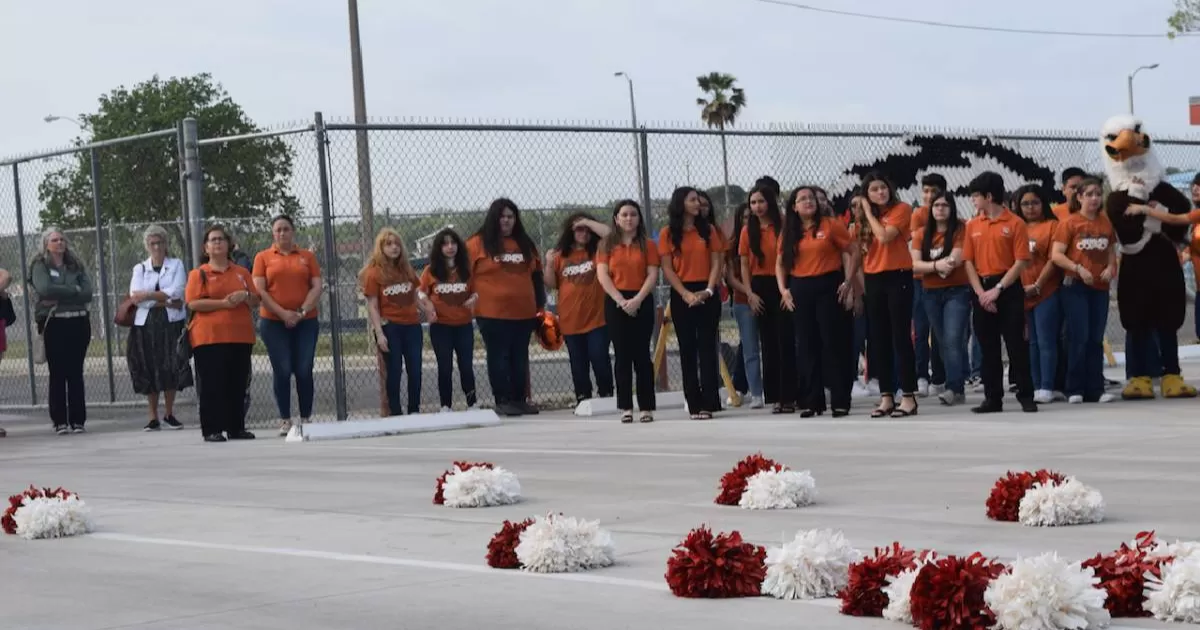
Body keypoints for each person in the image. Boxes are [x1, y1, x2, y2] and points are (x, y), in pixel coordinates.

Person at [778, 185, 858, 416]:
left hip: (828, 285)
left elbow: (853, 252)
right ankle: (813, 401)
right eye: (802, 199)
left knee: (832, 343)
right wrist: (784, 290)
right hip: (800, 287)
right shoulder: (789, 232)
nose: (808, 202)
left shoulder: (831, 225)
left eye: (811, 198)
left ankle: (840, 399)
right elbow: (781, 263)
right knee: (806, 345)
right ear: (794, 206)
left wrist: (848, 281)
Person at [963, 172, 1037, 413]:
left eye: (976, 196)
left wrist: (997, 289)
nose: (973, 200)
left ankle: (1026, 395)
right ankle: (992, 398)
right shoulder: (972, 225)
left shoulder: (1015, 223)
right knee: (987, 347)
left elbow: (1021, 262)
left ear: (989, 196)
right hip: (981, 289)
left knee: (1016, 344)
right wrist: (981, 293)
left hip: (1007, 288)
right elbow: (968, 262)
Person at [467, 198, 544, 417]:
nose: (506, 221)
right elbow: (464, 274)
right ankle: (502, 399)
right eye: (502, 216)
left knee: (519, 356)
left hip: (523, 312)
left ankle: (519, 399)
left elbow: (536, 275)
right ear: (494, 218)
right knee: (499, 355)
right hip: (492, 313)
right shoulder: (477, 243)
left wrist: (540, 305)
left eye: (510, 216)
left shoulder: (525, 243)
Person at [186, 225, 259, 442]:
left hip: (240, 335)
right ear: (206, 248)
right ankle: (212, 428)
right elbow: (193, 303)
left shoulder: (241, 272)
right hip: (209, 337)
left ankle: (236, 427)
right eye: (213, 240)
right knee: (212, 384)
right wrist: (223, 303)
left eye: (221, 239)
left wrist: (244, 295)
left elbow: (256, 300)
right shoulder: (199, 274)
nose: (217, 243)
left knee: (237, 383)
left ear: (229, 245)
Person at [854, 172, 918, 418]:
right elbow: (859, 252)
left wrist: (869, 213)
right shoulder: (862, 221)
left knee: (900, 337)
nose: (881, 192)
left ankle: (909, 396)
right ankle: (886, 396)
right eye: (874, 190)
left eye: (883, 188)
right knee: (878, 339)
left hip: (897, 276)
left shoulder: (901, 209)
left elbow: (885, 236)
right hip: (874, 278)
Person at [253, 215, 323, 436]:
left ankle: (306, 418)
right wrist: (283, 313)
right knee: (282, 370)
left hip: (306, 321)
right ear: (273, 234)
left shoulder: (307, 256)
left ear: (293, 232)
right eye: (278, 230)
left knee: (304, 369)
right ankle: (285, 419)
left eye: (286, 229)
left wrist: (301, 312)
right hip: (273, 322)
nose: (282, 233)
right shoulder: (263, 257)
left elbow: (316, 286)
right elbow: (260, 290)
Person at [659, 186, 725, 420]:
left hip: (707, 291)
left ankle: (710, 402)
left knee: (708, 347)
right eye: (693, 200)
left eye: (698, 200)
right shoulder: (668, 233)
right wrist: (685, 294)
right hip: (682, 292)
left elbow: (717, 262)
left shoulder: (708, 230)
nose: (698, 204)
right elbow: (667, 267)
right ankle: (694, 403)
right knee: (687, 348)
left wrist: (708, 290)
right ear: (681, 204)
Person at [1050, 176, 1117, 404]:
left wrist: (1110, 267)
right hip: (1075, 286)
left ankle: (1095, 388)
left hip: (1099, 287)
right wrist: (1078, 268)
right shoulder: (1069, 223)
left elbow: (1110, 250)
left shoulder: (1105, 222)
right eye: (1089, 194)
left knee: (1095, 338)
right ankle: (1074, 387)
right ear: (1079, 197)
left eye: (1098, 194)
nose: (1095, 199)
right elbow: (1057, 255)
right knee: (1079, 336)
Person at [596, 199, 660, 423]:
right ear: (616, 219)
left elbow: (652, 275)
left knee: (642, 356)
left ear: (639, 218)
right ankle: (625, 406)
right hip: (616, 301)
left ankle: (646, 407)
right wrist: (620, 300)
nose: (628, 219)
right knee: (622, 356)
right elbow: (603, 275)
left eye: (633, 214)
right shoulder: (606, 244)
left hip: (641, 300)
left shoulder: (648, 245)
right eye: (624, 215)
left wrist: (638, 299)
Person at [127, 225, 193, 431]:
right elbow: (136, 297)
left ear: (166, 244)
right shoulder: (140, 268)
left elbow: (178, 292)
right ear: (147, 246)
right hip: (145, 325)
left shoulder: (176, 265)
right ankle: (152, 415)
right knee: (149, 365)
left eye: (160, 243)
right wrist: (162, 299)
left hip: (170, 323)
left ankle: (169, 413)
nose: (156, 247)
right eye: (152, 243)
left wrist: (149, 296)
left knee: (171, 365)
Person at [29, 228, 93, 435]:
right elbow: (45, 289)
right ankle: (60, 421)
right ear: (46, 244)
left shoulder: (75, 265)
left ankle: (78, 420)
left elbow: (87, 293)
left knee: (75, 372)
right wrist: (72, 291)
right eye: (54, 240)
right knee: (58, 373)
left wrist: (65, 293)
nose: (59, 243)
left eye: (62, 239)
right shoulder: (40, 265)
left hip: (78, 322)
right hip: (54, 323)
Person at [910, 191, 970, 406]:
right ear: (931, 209)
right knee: (943, 341)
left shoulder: (960, 228)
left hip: (957, 291)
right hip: (930, 292)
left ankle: (955, 388)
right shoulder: (921, 234)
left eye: (945, 205)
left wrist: (945, 265)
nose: (940, 209)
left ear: (952, 208)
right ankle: (955, 385)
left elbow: (957, 256)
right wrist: (937, 266)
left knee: (953, 339)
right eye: (936, 205)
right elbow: (914, 264)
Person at [545, 213, 613, 404]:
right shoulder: (561, 256)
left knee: (599, 357)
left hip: (597, 319)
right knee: (578, 363)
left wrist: (587, 222)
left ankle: (606, 394)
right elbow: (551, 283)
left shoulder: (598, 251)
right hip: (571, 320)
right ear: (570, 232)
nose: (584, 233)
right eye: (579, 229)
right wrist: (549, 265)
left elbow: (609, 234)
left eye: (587, 229)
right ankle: (583, 397)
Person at [740, 185, 797, 414]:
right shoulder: (747, 231)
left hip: (782, 283)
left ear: (770, 202)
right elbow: (744, 264)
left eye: (761, 202)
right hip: (760, 286)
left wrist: (787, 289)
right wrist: (749, 293)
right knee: (768, 344)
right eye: (753, 203)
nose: (757, 207)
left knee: (787, 341)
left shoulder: (784, 224)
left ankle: (790, 395)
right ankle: (774, 397)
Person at [361, 227, 428, 416]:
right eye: (389, 244)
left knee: (415, 369)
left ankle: (414, 410)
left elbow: (414, 296)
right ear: (381, 248)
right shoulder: (374, 273)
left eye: (397, 244)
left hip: (412, 326)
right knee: (395, 370)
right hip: (390, 327)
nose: (394, 247)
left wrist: (427, 309)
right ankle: (396, 413)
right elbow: (373, 306)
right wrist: (379, 333)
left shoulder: (406, 269)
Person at [1013, 185, 1064, 404]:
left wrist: (1038, 284)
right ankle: (1034, 385)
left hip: (1046, 291)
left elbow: (1053, 259)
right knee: (1031, 342)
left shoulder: (1052, 226)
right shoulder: (1016, 227)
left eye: (1035, 202)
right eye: (1025, 203)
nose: (1030, 207)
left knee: (1046, 341)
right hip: (1021, 293)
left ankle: (1048, 385)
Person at [419, 228, 478, 412]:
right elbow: (420, 292)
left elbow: (475, 291)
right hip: (441, 326)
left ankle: (472, 402)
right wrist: (427, 305)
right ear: (439, 248)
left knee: (466, 366)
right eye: (445, 243)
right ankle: (446, 405)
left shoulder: (466, 270)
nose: (450, 247)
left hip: (463, 325)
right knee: (445, 367)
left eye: (453, 243)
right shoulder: (431, 271)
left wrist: (473, 299)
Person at [907, 173, 949, 397]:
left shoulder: (948, 214)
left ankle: (939, 376)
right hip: (919, 280)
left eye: (934, 191)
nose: (929, 196)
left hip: (941, 281)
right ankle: (921, 375)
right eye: (926, 191)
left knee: (940, 331)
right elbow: (918, 245)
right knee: (921, 330)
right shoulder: (918, 214)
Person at [725, 202, 764, 408]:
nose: (749, 220)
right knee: (750, 349)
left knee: (771, 345)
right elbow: (731, 278)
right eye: (745, 217)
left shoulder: (763, 238)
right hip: (744, 300)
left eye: (752, 217)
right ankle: (756, 392)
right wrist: (749, 293)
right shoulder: (731, 245)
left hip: (765, 296)